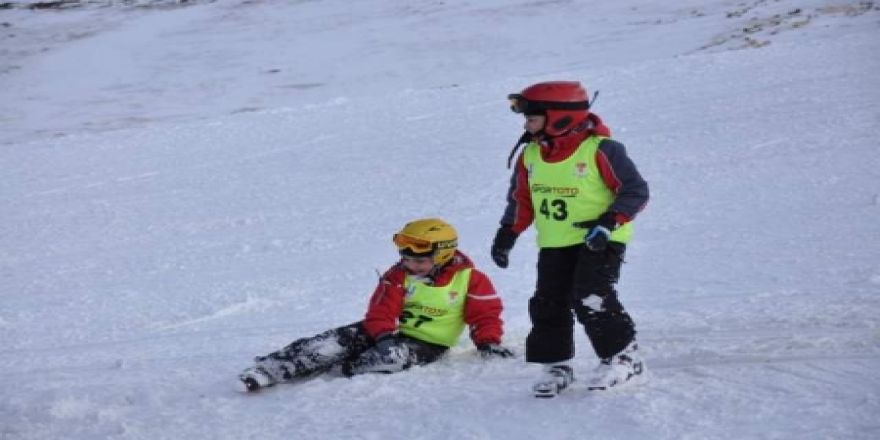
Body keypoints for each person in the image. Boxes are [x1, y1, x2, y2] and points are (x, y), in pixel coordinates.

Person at [490, 81, 649, 397]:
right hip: (555, 241)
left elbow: (635, 191)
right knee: (548, 300)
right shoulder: (531, 154)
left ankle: (623, 357)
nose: (526, 125)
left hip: (600, 237)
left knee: (590, 293)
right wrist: (507, 233)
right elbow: (521, 199)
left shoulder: (602, 150)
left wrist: (608, 223)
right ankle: (557, 365)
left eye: (532, 118)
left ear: (559, 116)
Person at [239, 218, 514, 392]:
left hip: (428, 344)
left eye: (420, 261)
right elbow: (381, 311)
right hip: (384, 332)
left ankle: (347, 367)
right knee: (336, 342)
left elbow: (485, 315)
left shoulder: (471, 280)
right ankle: (272, 368)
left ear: (443, 255)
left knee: (391, 359)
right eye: (407, 260)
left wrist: (488, 342)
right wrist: (382, 336)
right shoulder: (398, 276)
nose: (412, 266)